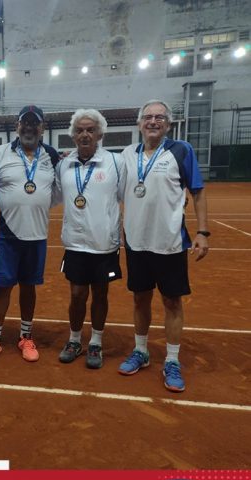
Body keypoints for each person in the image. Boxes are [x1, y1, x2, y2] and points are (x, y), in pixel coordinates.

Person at [118, 99, 210, 392]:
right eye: (148, 117)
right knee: (139, 299)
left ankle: (171, 360)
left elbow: (197, 192)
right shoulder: (127, 154)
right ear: (139, 124)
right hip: (136, 242)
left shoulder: (181, 150)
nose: (153, 121)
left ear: (168, 124)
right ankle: (141, 351)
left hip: (169, 242)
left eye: (159, 117)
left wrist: (203, 232)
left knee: (172, 302)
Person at [0, 105, 59, 365]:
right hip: (6, 236)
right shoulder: (0, 153)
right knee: (3, 287)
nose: (29, 128)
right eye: (25, 122)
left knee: (29, 287)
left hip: (37, 235)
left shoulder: (52, 156)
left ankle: (26, 336)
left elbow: (57, 191)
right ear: (17, 126)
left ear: (42, 128)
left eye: (35, 123)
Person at [55, 109, 125, 369]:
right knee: (76, 294)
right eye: (80, 130)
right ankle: (74, 340)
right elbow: (53, 196)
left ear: (100, 134)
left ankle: (95, 342)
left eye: (90, 130)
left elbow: (128, 195)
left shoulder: (115, 162)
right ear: (73, 135)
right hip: (75, 243)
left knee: (100, 294)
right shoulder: (64, 164)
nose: (85, 134)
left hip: (104, 244)